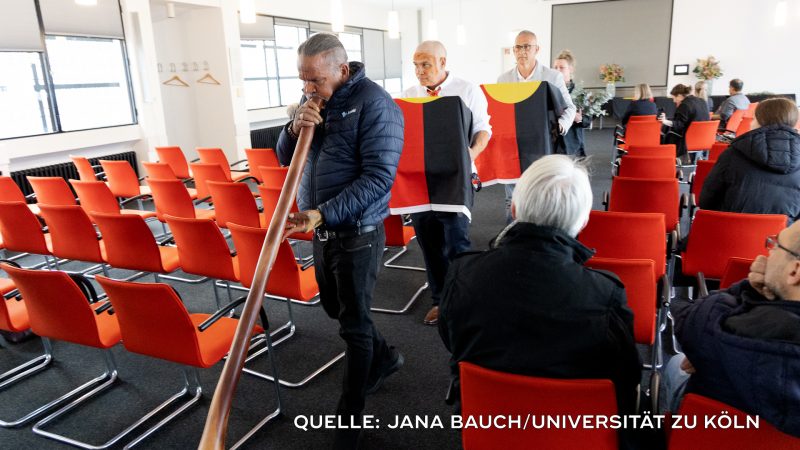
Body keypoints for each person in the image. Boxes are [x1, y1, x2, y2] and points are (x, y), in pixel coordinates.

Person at [276, 33, 404, 448]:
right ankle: (384, 357)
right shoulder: (314, 101)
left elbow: (378, 179)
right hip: (323, 230)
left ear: (342, 70)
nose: (308, 88)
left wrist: (320, 212)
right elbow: (284, 157)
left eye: (315, 80)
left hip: (358, 232)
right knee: (336, 308)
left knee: (352, 324)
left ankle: (349, 417)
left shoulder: (376, 104)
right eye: (302, 79)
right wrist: (294, 127)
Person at [438, 155, 641, 417]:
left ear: (514, 210)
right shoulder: (605, 295)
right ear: (583, 222)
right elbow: (627, 377)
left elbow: (453, 340)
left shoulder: (462, 272)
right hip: (576, 431)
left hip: (489, 422)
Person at [665, 221, 800, 437]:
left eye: (777, 245)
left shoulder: (721, 326)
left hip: (713, 429)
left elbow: (687, 314)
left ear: (795, 271)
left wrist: (747, 289)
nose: (769, 250)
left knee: (674, 365)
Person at [402, 40, 492, 326]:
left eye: (425, 64)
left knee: (457, 242)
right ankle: (441, 300)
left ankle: (462, 300)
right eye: (416, 65)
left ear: (443, 62)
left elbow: (483, 130)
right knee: (429, 243)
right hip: (420, 181)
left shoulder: (467, 90)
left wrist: (470, 155)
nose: (419, 70)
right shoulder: (409, 95)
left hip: (456, 177)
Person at [498, 30, 576, 223]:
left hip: (542, 145)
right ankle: (513, 239)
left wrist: (561, 126)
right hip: (513, 146)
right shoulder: (503, 79)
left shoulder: (552, 77)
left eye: (527, 46)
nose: (522, 51)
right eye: (518, 47)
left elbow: (570, 107)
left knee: (542, 194)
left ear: (537, 49)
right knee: (512, 197)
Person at [699, 98, 800, 222]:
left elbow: (707, 200)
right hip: (781, 238)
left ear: (759, 121)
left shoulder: (733, 152)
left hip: (730, 234)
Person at [553, 50, 591, 157]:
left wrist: (579, 118)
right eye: (555, 67)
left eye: (562, 67)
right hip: (554, 143)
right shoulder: (550, 90)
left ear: (571, 69)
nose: (557, 70)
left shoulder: (579, 93)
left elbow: (588, 120)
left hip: (573, 144)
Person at [660, 83, 709, 158]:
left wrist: (665, 121)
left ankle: (666, 159)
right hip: (704, 139)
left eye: (674, 98)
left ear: (679, 96)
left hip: (688, 140)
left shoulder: (685, 105)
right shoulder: (702, 101)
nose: (674, 101)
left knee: (665, 134)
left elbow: (679, 124)